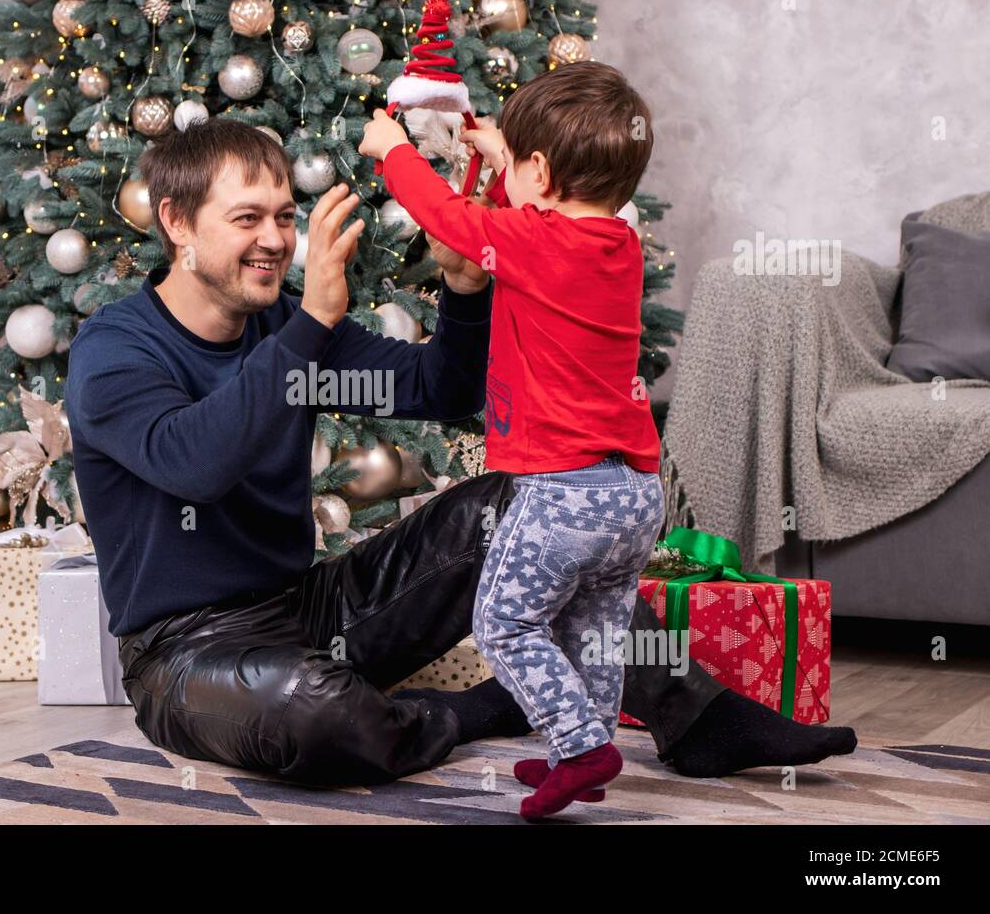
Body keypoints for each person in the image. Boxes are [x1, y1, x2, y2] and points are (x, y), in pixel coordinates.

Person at [65, 117, 857, 790]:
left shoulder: (281, 330)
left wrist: (466, 293)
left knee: (520, 506)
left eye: (283, 216)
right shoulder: (115, 352)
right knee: (313, 715)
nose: (276, 239)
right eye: (247, 219)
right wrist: (309, 328)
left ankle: (699, 718)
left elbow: (439, 392)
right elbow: (193, 464)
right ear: (176, 222)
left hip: (310, 610)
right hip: (184, 651)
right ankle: (487, 707)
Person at [359, 61, 670, 818]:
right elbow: (522, 223)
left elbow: (449, 216)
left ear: (541, 170)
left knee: (502, 622)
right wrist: (507, 164)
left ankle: (579, 743)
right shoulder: (619, 246)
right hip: (635, 493)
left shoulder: (534, 241)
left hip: (565, 493)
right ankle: (587, 750)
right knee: (593, 624)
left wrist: (390, 147)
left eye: (522, 165)